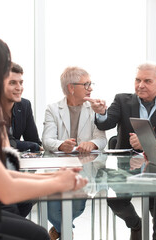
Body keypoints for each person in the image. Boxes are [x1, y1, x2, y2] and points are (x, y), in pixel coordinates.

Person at [0, 33, 87, 240]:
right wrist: (60, 183)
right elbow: (4, 189)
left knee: (37, 233)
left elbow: (0, 174)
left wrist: (53, 177)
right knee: (37, 235)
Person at [86, 62, 156, 240]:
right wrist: (101, 112)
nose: (140, 85)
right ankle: (135, 224)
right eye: (137, 80)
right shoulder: (122, 100)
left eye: (147, 81)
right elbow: (107, 123)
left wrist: (148, 142)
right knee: (114, 199)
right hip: (124, 167)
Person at [42, 66, 107, 239]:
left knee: (77, 208)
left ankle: (59, 231)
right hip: (58, 168)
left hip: (83, 168)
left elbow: (101, 140)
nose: (90, 88)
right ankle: (65, 232)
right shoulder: (53, 109)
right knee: (52, 211)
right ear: (71, 87)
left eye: (90, 84)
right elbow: (47, 140)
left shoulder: (93, 108)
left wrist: (91, 144)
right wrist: (61, 145)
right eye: (86, 84)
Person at [1, 62, 42, 152]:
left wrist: (32, 145)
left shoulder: (25, 105)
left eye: (21, 83)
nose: (19, 88)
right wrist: (32, 145)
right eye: (12, 83)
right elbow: (4, 143)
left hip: (16, 161)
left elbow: (34, 141)